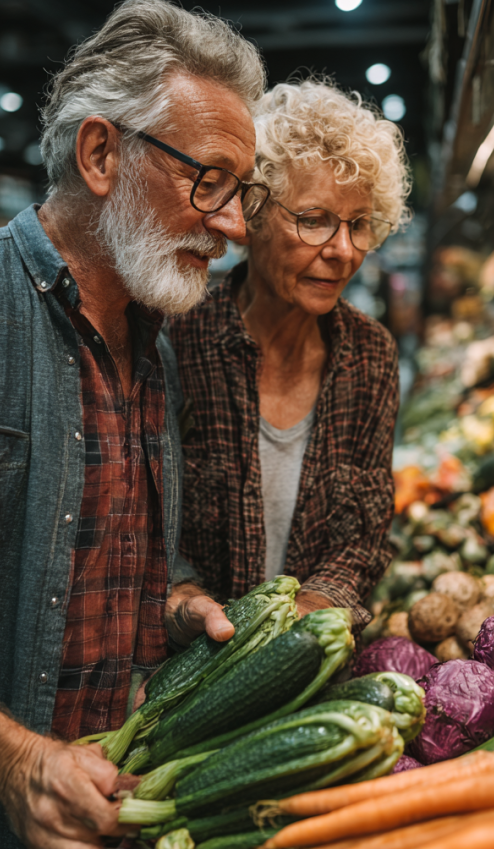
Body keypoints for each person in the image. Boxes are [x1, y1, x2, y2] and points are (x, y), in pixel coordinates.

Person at [0, 0, 267, 849]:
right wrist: (16, 764)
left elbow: (107, 558)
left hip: (107, 814)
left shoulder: (157, 352)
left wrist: (169, 605)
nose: (235, 224)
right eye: (207, 179)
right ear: (101, 153)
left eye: (242, 191)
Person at [169, 79, 411, 628]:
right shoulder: (176, 338)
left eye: (358, 225)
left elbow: (365, 539)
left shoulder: (371, 357)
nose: (344, 251)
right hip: (179, 672)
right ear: (251, 215)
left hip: (305, 674)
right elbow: (133, 519)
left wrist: (309, 612)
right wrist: (180, 598)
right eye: (314, 219)